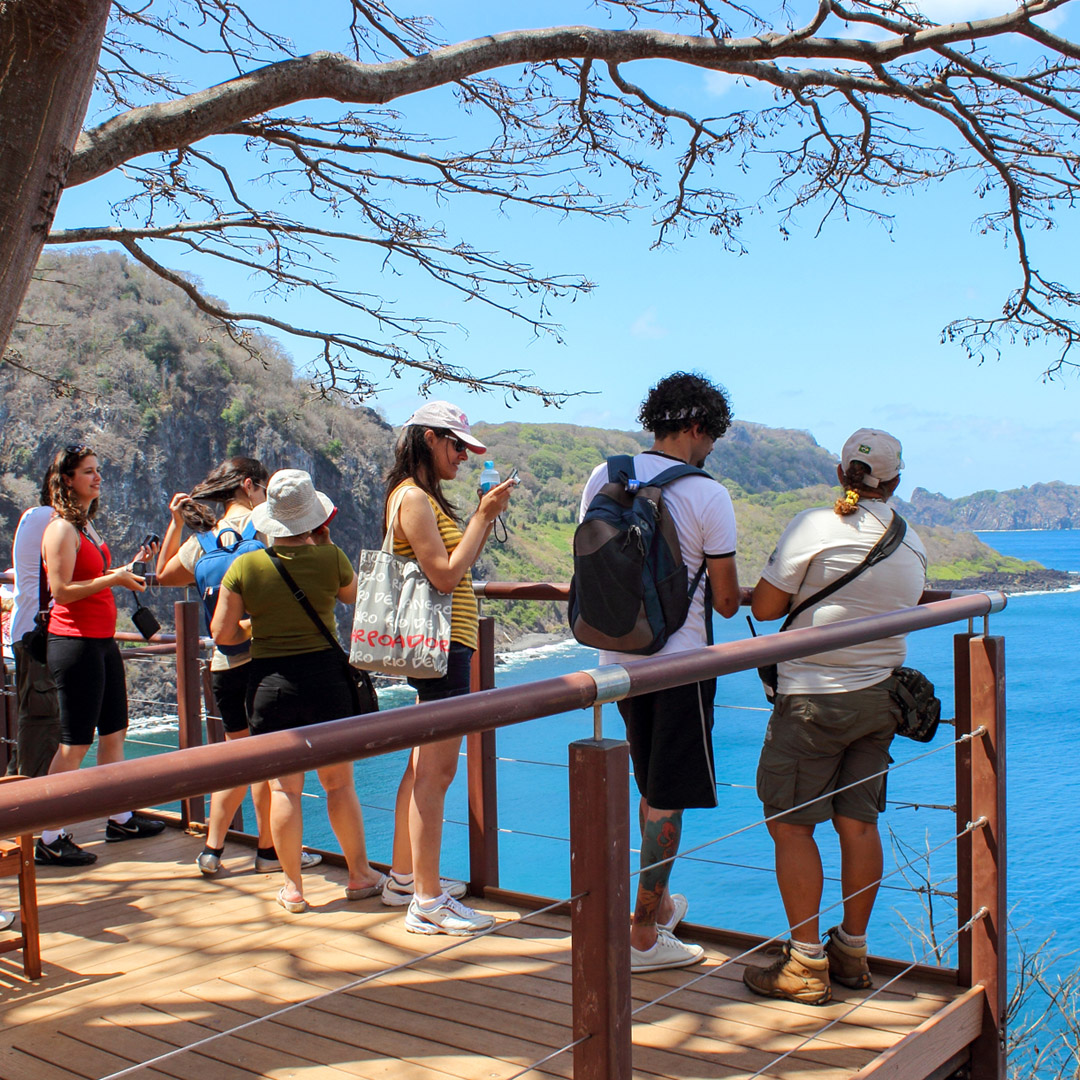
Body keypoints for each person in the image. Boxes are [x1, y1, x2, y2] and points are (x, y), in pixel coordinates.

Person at [742, 428, 927, 1005]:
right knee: (859, 825)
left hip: (814, 698)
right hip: (879, 701)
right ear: (895, 481)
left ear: (840, 471)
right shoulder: (913, 541)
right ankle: (852, 951)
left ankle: (804, 964)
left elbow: (769, 607)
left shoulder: (814, 526)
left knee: (792, 825)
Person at [579, 372, 741, 972]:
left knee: (649, 783)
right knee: (667, 797)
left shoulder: (606, 474)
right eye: (712, 437)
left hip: (617, 657)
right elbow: (725, 601)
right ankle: (643, 934)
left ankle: (660, 903)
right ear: (697, 427)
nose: (710, 449)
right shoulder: (708, 494)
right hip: (679, 665)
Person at [211, 469, 383, 913]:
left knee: (285, 789)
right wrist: (322, 549)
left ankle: (293, 887)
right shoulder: (332, 557)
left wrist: (260, 622)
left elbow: (223, 633)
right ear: (314, 517)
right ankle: (360, 875)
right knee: (339, 783)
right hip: (328, 681)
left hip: (270, 683)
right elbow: (351, 597)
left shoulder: (246, 565)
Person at [381, 401, 515, 935]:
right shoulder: (413, 498)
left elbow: (455, 568)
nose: (462, 456)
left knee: (421, 766)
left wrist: (483, 517)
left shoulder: (416, 496)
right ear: (430, 440)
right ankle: (428, 900)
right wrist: (482, 516)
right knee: (437, 772)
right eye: (456, 445)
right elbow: (444, 575)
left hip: (441, 646)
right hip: (442, 649)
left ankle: (404, 878)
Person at [156, 457, 322, 879]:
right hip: (266, 659)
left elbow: (163, 575)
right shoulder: (265, 526)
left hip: (222, 662)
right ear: (250, 486)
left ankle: (212, 849)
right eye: (263, 488)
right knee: (273, 766)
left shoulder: (203, 540)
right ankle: (270, 851)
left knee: (239, 758)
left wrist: (176, 523)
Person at [37, 445, 166, 866]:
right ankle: (48, 835)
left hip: (102, 640)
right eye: (88, 472)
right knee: (75, 745)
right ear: (68, 479)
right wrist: (114, 577)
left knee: (114, 732)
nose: (97, 478)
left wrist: (131, 566)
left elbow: (94, 578)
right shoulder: (61, 530)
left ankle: (120, 817)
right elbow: (61, 591)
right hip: (74, 644)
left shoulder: (86, 527)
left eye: (98, 471)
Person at [7, 466, 60, 779]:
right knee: (44, 723)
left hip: (26, 629)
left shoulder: (32, 515)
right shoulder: (52, 520)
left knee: (35, 719)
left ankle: (19, 802)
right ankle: (35, 812)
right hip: (39, 634)